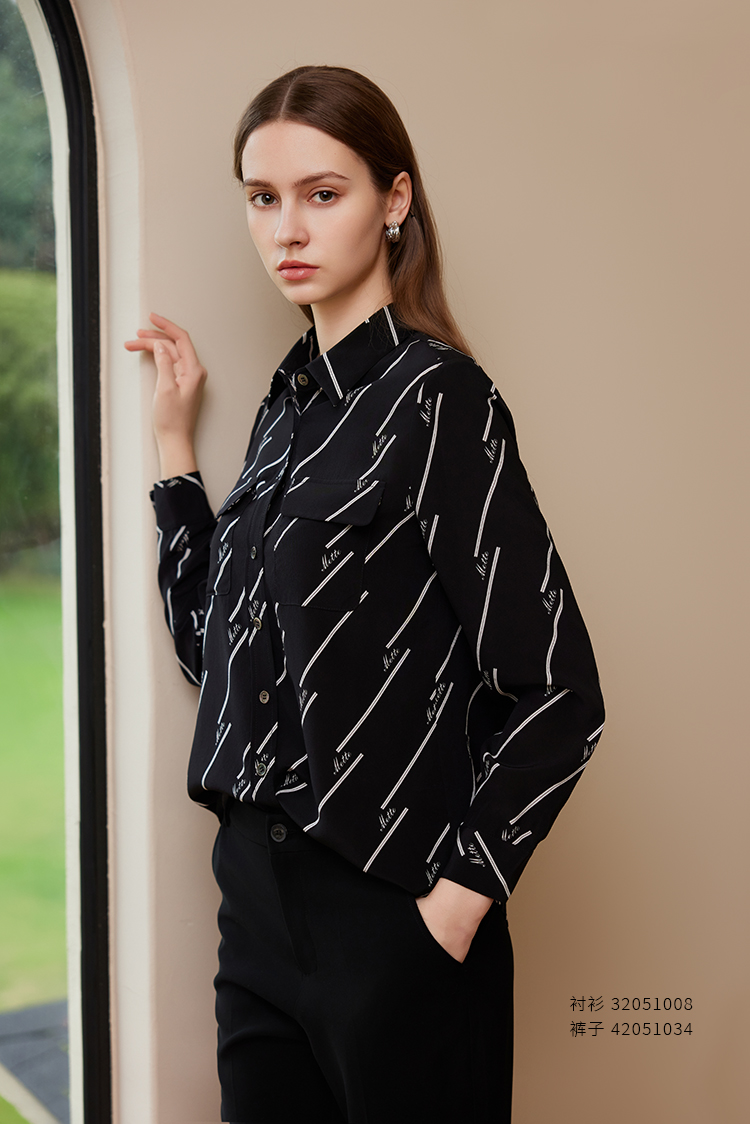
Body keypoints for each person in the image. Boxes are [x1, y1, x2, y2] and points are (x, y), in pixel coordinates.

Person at [125, 65, 604, 1124]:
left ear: (394, 199)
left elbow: (560, 691)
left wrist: (456, 904)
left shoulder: (440, 399)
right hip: (255, 918)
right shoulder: (284, 410)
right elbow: (215, 653)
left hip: (394, 914)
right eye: (263, 197)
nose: (286, 228)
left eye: (322, 192)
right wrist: (174, 453)